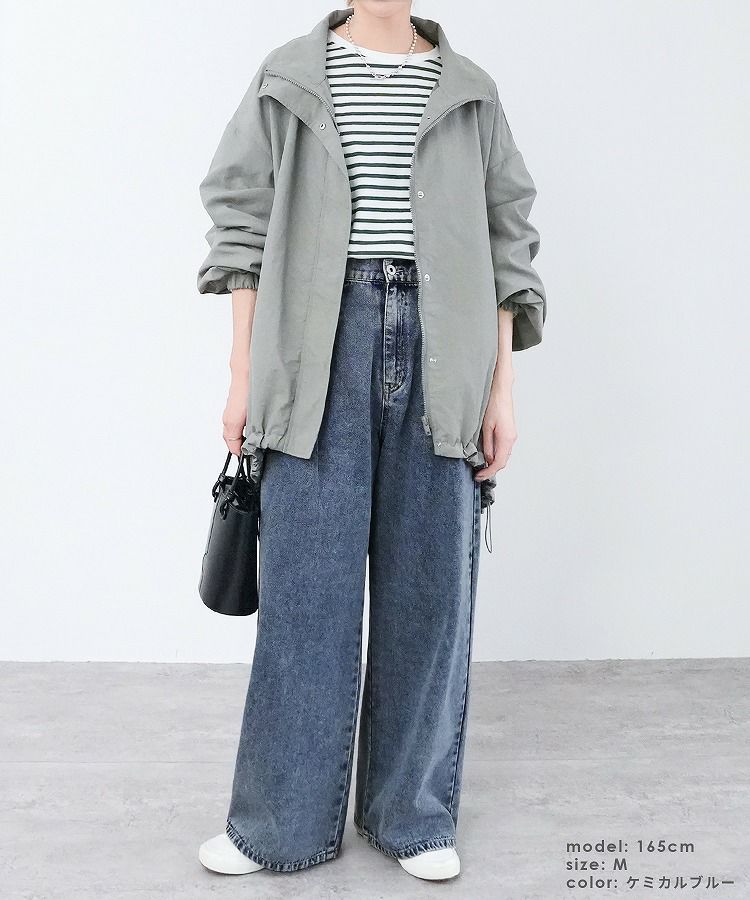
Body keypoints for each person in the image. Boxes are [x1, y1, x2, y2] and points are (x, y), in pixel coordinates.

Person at [195, 1, 546, 882]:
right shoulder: (289, 76)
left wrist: (502, 389)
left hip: (447, 348)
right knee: (305, 596)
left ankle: (413, 819)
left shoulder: (470, 91)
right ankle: (278, 825)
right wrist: (241, 373)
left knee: (430, 593)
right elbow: (241, 221)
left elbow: (508, 243)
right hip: (315, 346)